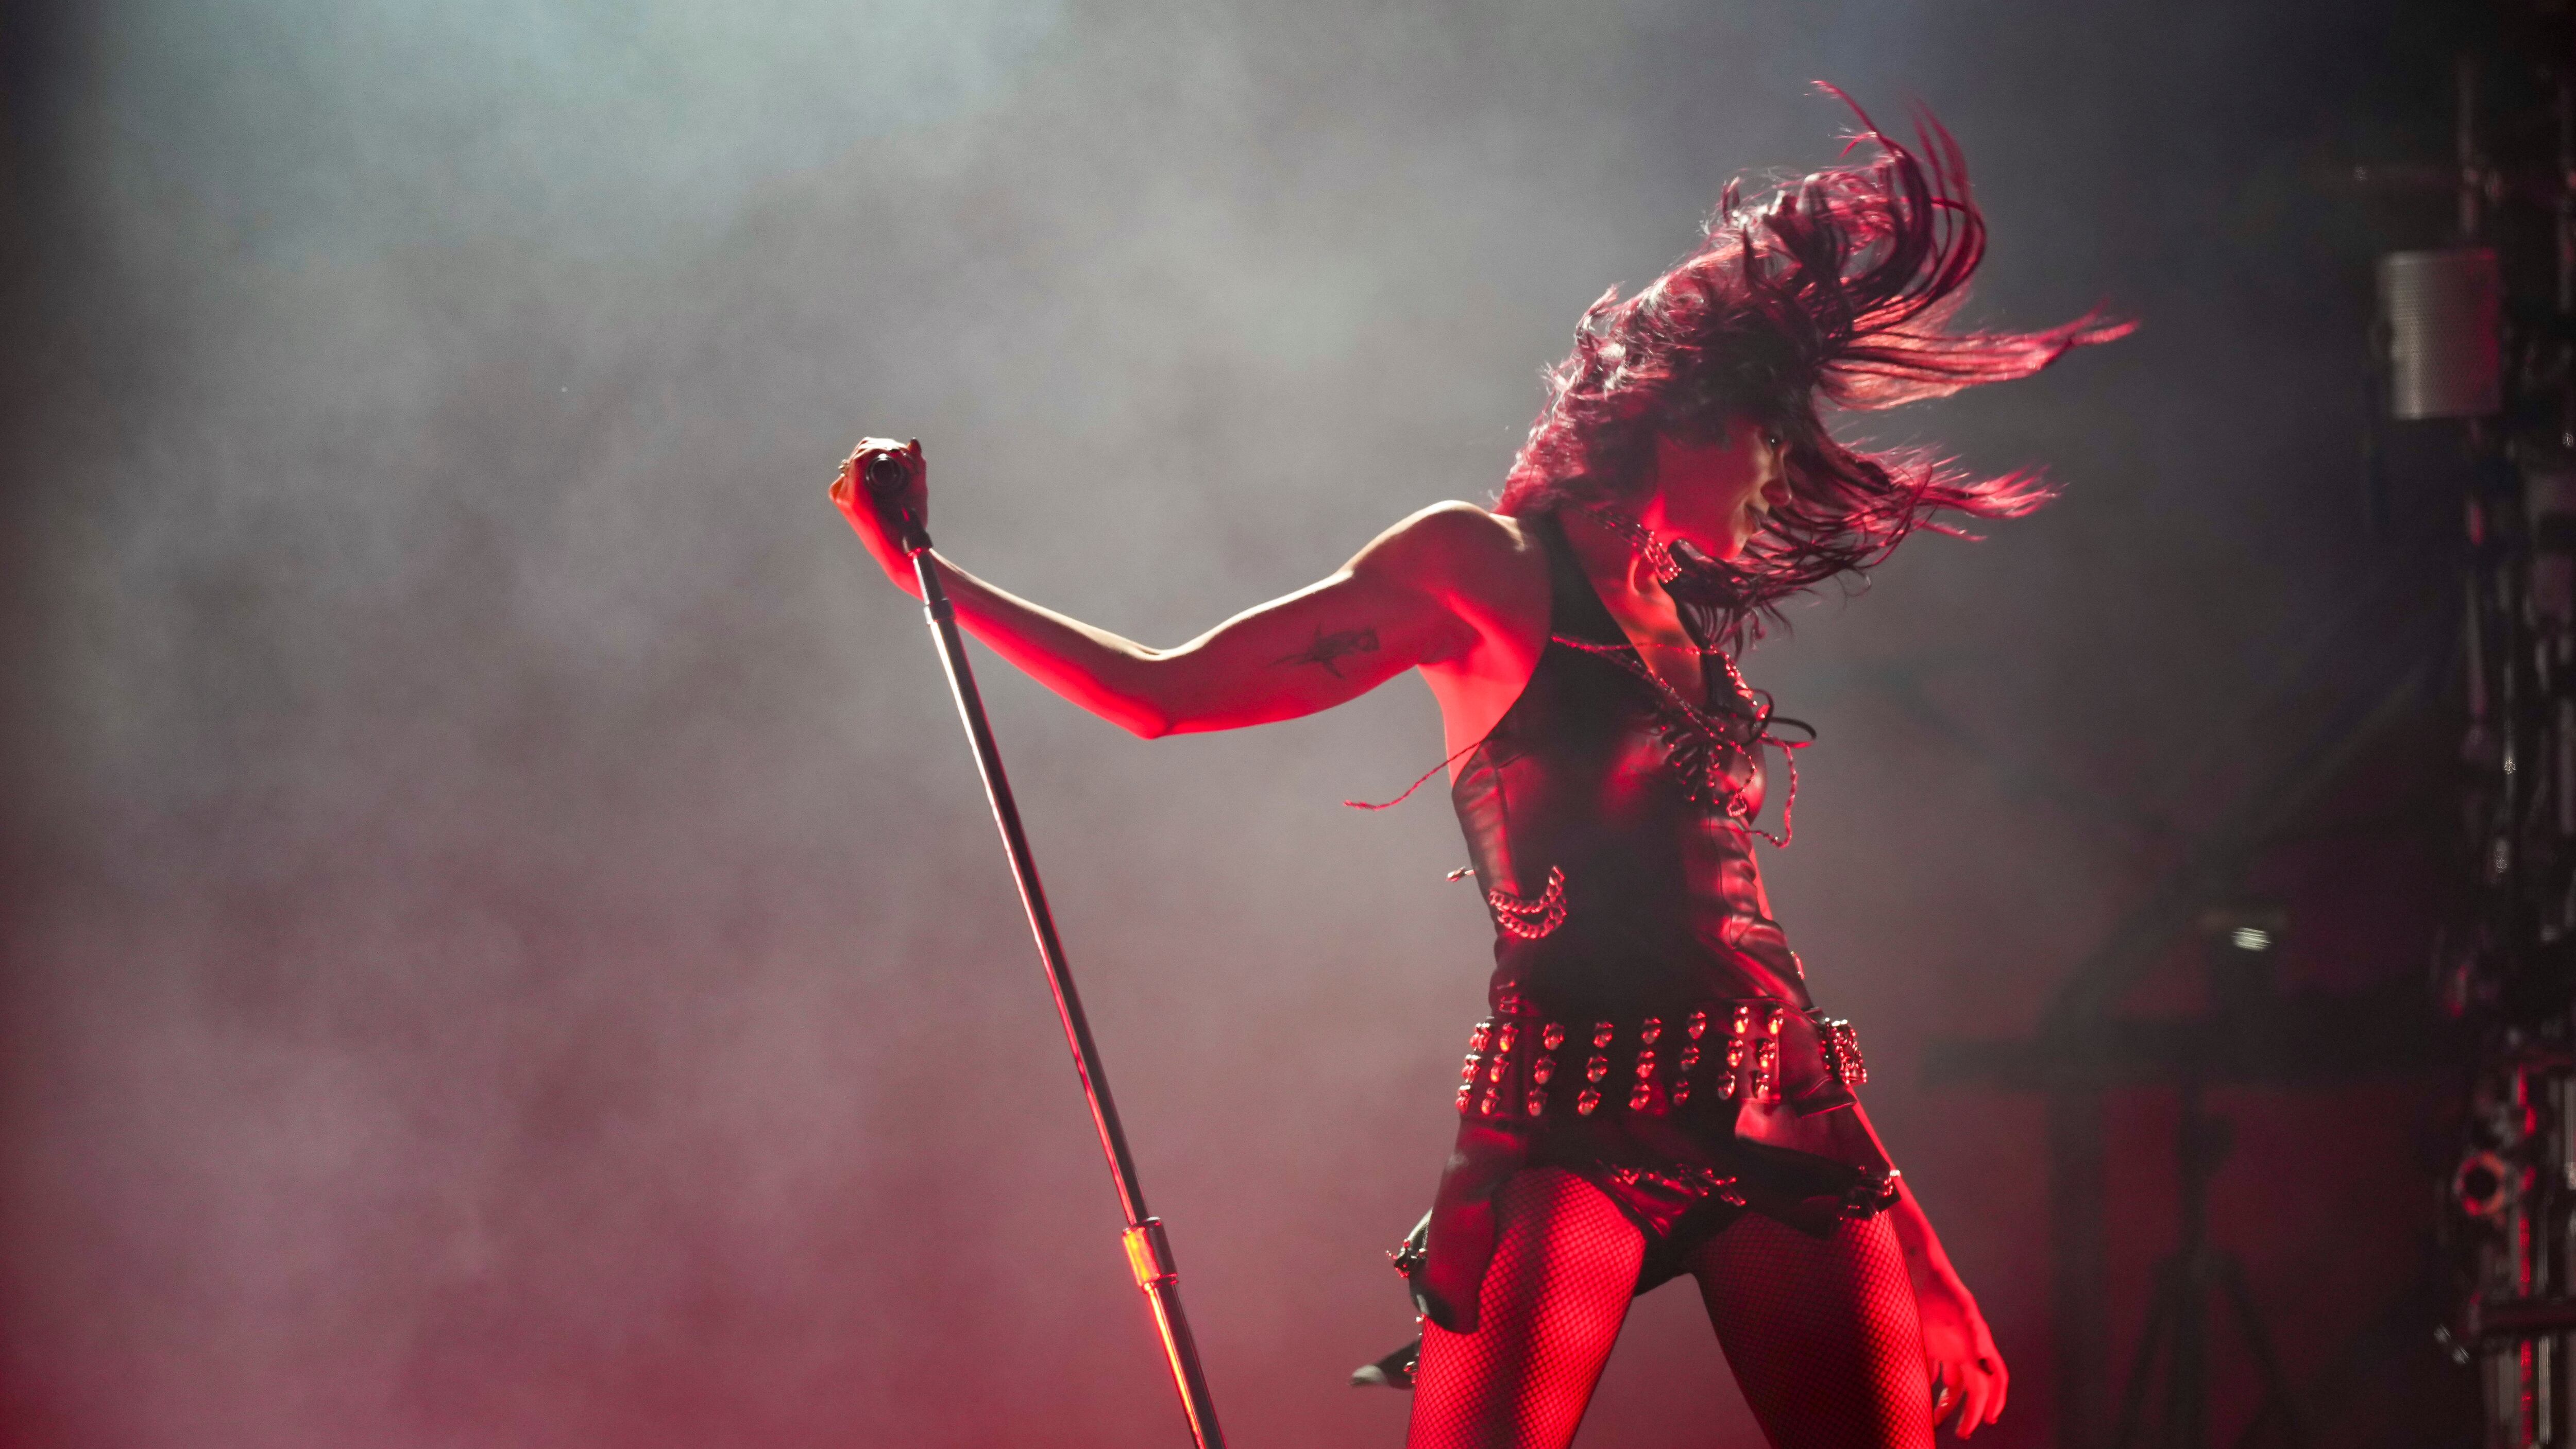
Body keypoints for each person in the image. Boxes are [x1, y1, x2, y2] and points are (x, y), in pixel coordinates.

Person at [831, 94, 2124, 1449]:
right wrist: (924, 574)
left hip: (1775, 1127)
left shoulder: (1687, 624)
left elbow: (1756, 949)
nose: (1778, 474)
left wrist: (1919, 1253)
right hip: (1565, 1133)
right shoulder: (1485, 572)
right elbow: (1165, 696)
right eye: (1763, 435)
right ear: (1678, 418)